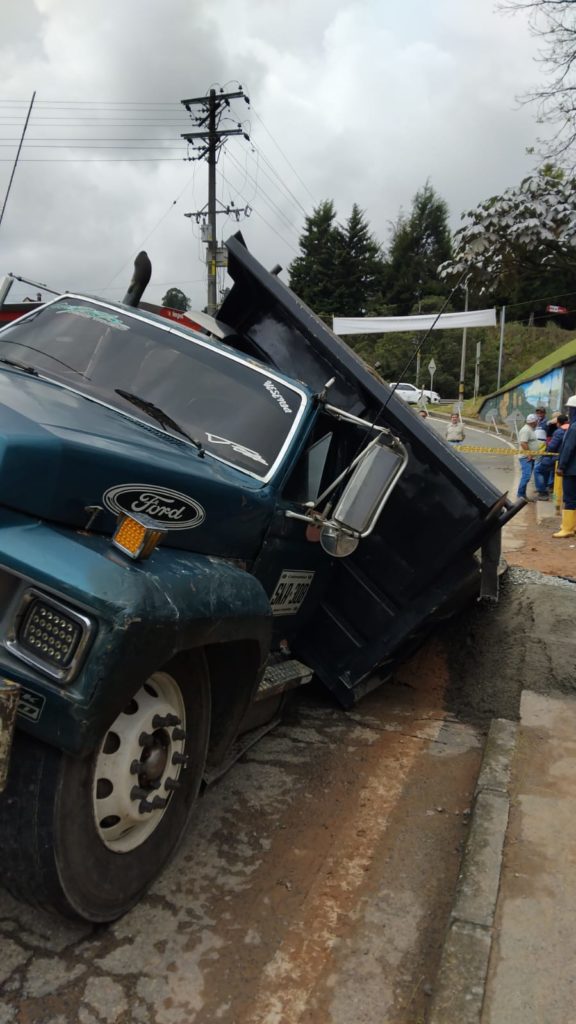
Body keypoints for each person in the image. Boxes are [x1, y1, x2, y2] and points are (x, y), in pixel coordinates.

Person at [553, 395, 576, 538]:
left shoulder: (573, 428)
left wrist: (561, 466)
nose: (568, 412)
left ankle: (567, 528)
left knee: (570, 498)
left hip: (572, 470)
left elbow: (568, 448)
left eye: (570, 409)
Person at [516, 412, 540, 499]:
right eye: (536, 421)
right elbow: (523, 443)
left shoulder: (530, 429)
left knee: (527, 476)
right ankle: (520, 495)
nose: (537, 422)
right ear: (533, 422)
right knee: (526, 476)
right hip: (526, 457)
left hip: (530, 457)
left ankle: (523, 495)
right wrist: (529, 453)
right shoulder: (526, 430)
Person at [533, 405, 551, 498]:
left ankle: (542, 490)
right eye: (537, 412)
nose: (539, 414)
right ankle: (542, 488)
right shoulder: (537, 422)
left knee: (537, 470)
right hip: (537, 449)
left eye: (541, 412)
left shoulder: (547, 422)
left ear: (544, 413)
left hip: (543, 449)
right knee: (541, 469)